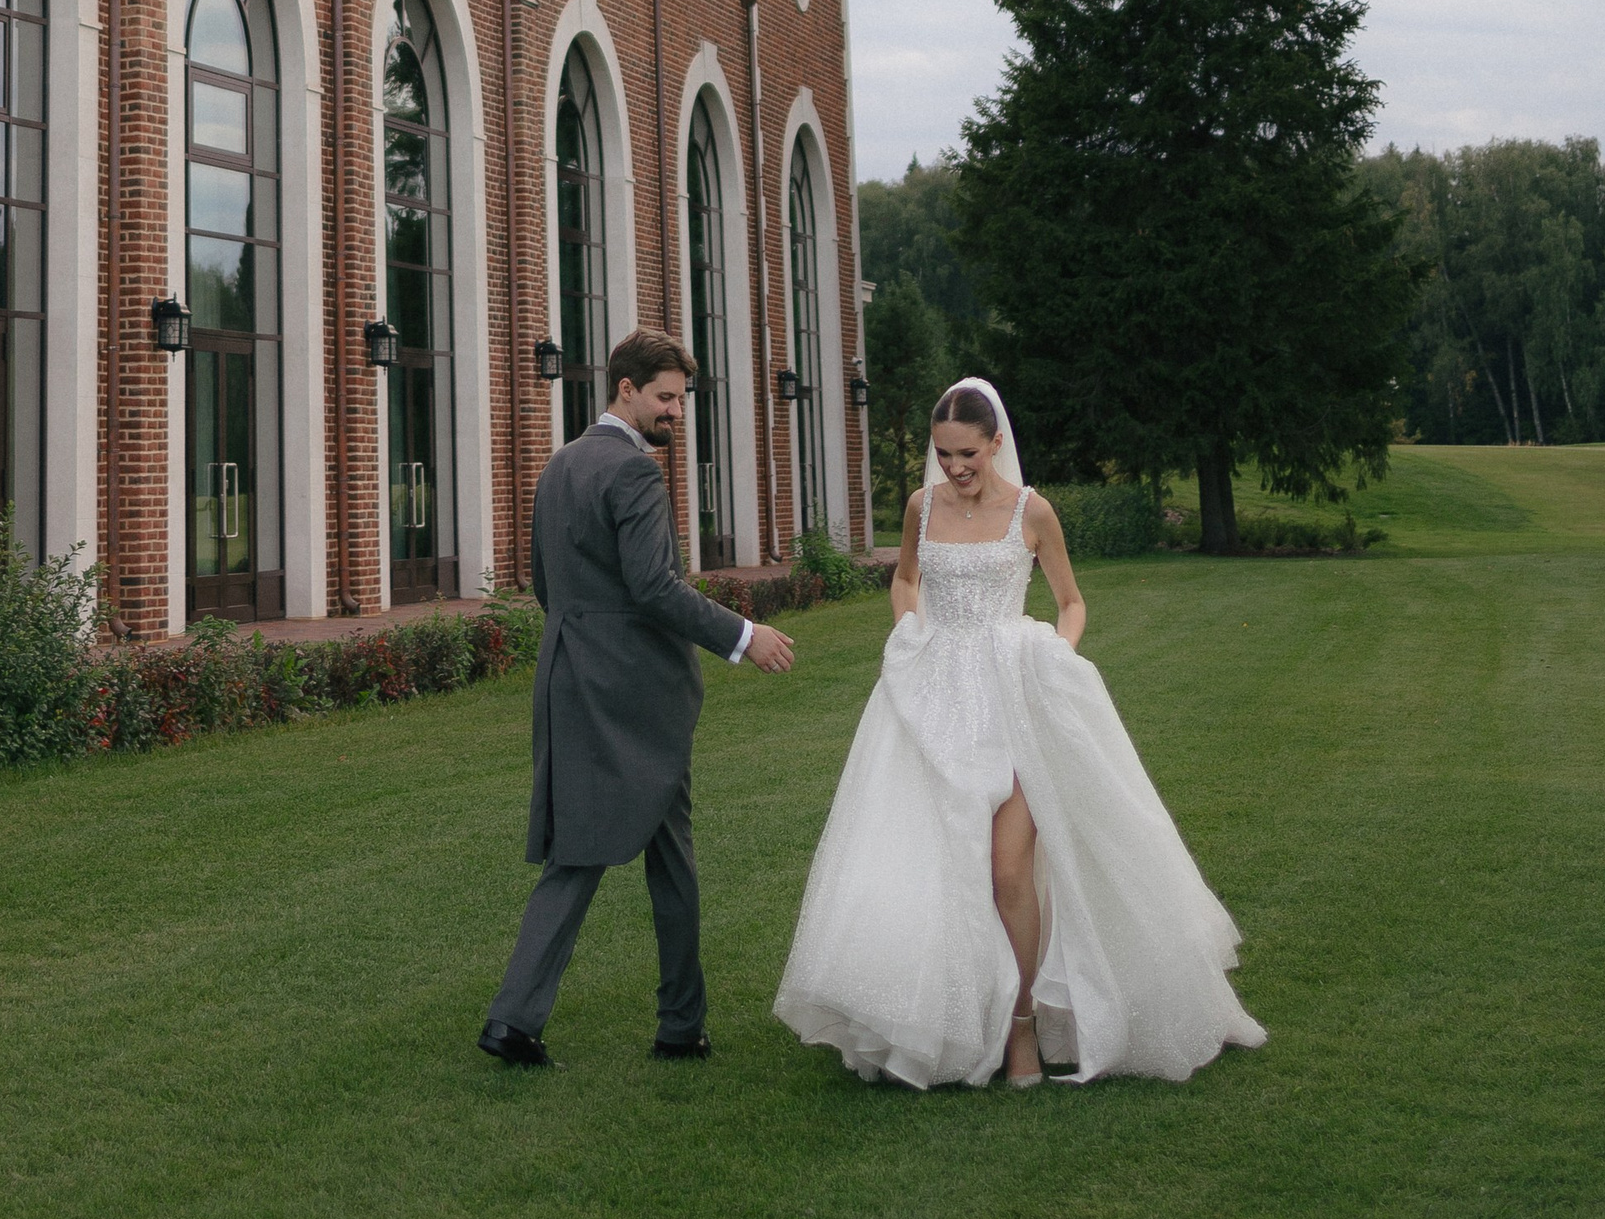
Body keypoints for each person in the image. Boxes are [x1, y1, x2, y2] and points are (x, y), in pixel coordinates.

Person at [775, 377, 1266, 1088]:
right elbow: (905, 580)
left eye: (967, 453)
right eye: (944, 454)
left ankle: (1024, 1025)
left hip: (1017, 697)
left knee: (1009, 871)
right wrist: (910, 630)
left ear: (995, 442)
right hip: (933, 696)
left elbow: (1071, 601)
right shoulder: (920, 507)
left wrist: (1056, 658)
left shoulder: (1032, 511)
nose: (955, 467)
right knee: (938, 861)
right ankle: (951, 1021)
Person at [481, 327, 797, 1068]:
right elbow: (655, 587)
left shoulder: (560, 464)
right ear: (625, 389)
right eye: (665, 398)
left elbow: (547, 586)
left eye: (681, 400)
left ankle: (661, 1025)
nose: (676, 413)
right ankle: (602, 1023)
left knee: (630, 851)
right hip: (636, 696)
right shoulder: (633, 472)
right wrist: (744, 635)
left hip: (569, 679)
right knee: (627, 855)